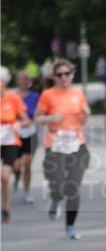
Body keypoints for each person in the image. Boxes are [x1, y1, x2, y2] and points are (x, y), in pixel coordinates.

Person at [34, 58, 91, 240]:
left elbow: (84, 116)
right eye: (60, 74)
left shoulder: (78, 94)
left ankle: (70, 226)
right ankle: (56, 200)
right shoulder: (48, 95)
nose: (64, 77)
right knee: (58, 186)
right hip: (56, 145)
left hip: (77, 144)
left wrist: (86, 114)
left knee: (73, 187)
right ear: (54, 77)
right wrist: (51, 119)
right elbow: (37, 118)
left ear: (72, 75)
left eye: (67, 74)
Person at [0, 67, 30, 223]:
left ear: (4, 82)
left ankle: (5, 208)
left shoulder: (13, 98)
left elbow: (26, 120)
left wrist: (19, 124)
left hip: (10, 141)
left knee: (5, 177)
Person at [13, 70, 40, 203]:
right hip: (15, 134)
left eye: (25, 79)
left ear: (28, 81)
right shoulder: (12, 97)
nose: (23, 81)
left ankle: (27, 191)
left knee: (27, 164)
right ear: (17, 81)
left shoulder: (35, 96)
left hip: (31, 133)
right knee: (16, 165)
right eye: (20, 79)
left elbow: (40, 113)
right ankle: (17, 176)